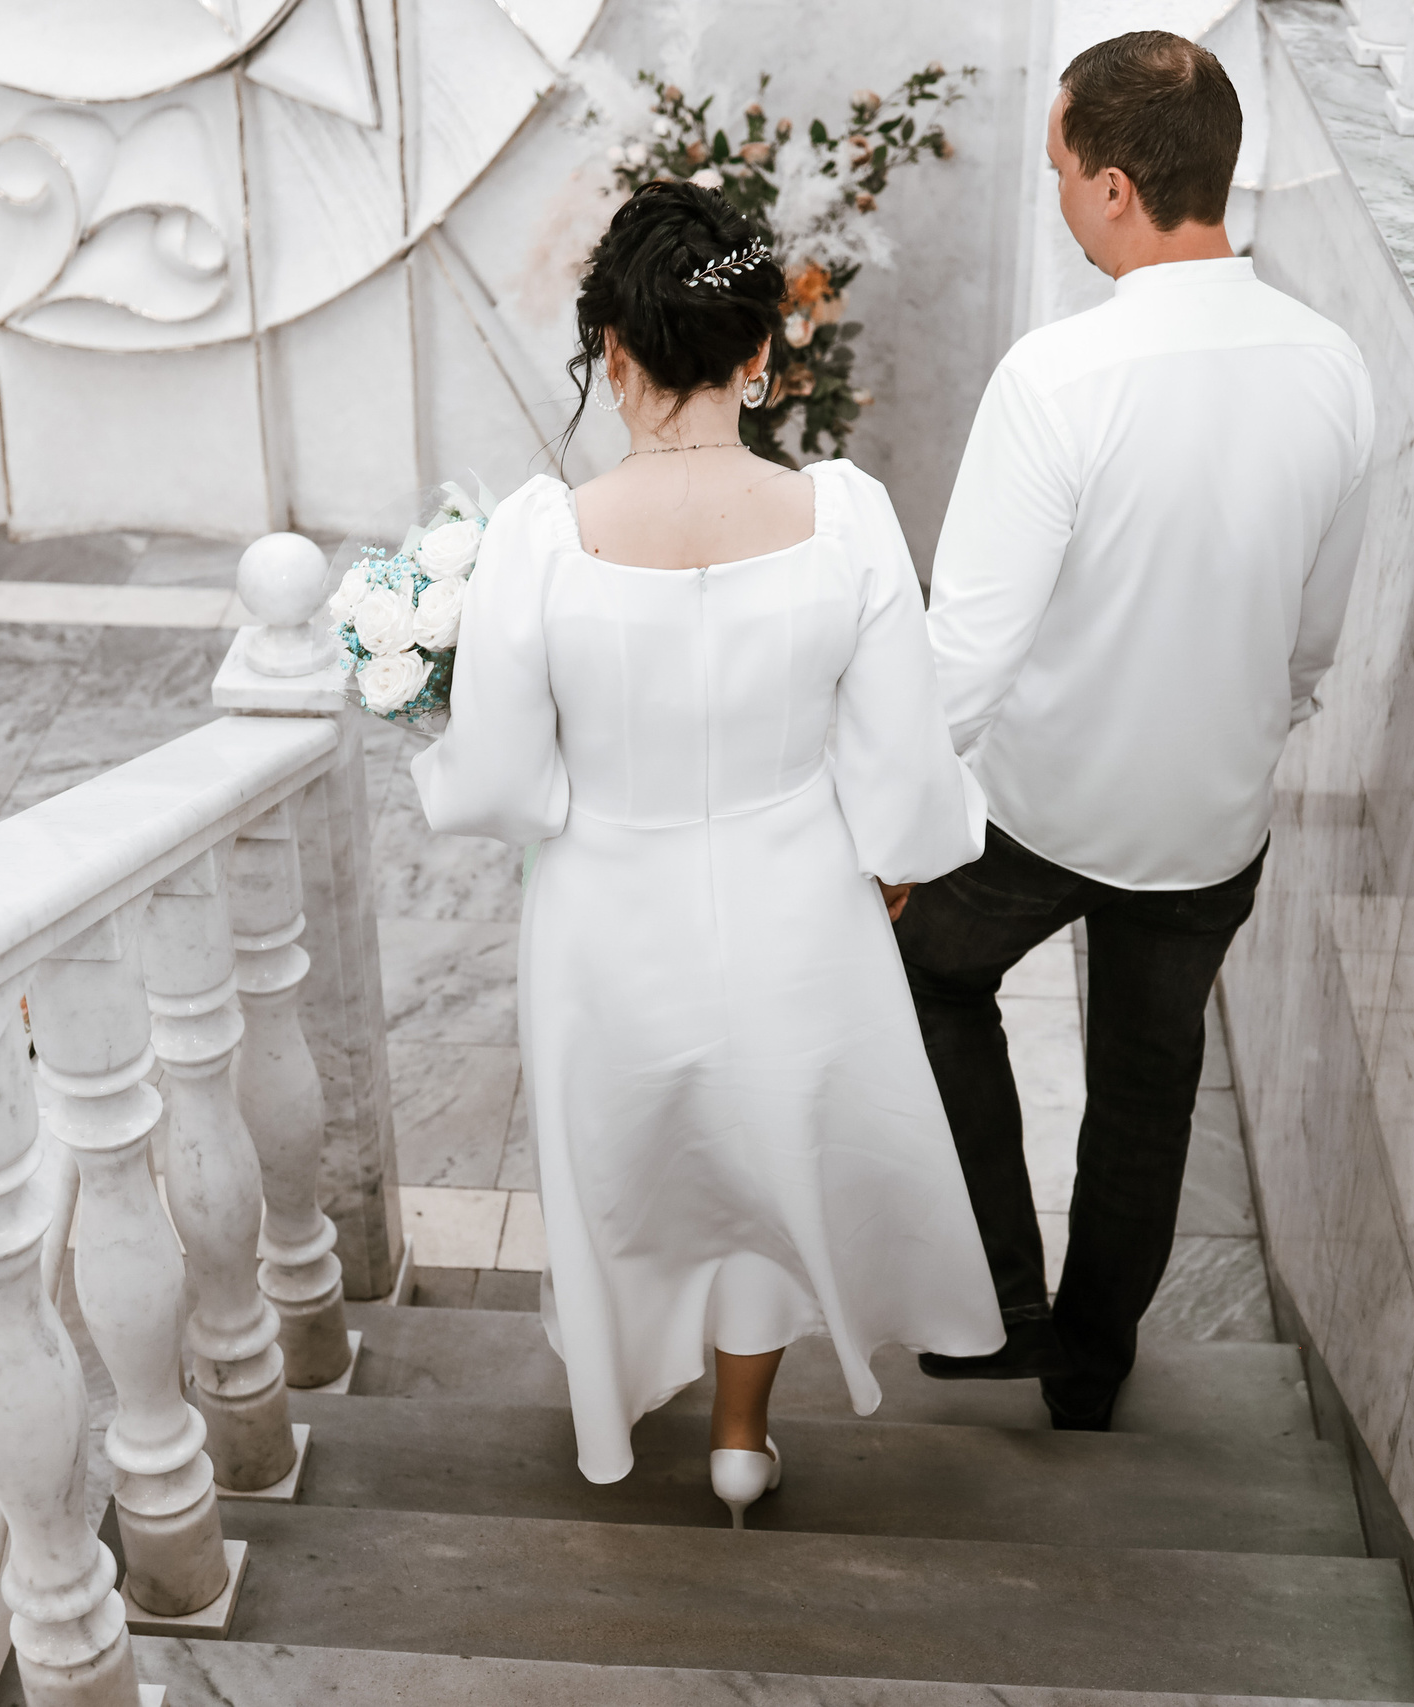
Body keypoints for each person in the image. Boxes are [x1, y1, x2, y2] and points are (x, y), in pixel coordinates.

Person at [413, 180, 1004, 1521]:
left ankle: (630, 1413)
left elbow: (505, 781)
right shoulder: (845, 520)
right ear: (760, 354)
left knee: (628, 1165)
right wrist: (898, 856)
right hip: (796, 901)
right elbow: (905, 763)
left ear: (609, 352)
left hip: (604, 919)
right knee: (767, 1161)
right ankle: (744, 1439)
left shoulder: (539, 541)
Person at [892, 31, 1376, 1431]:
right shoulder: (1336, 367)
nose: (1058, 196)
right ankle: (1090, 1372)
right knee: (1149, 1091)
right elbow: (1316, 632)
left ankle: (999, 1303)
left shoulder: (1058, 378)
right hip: (1212, 823)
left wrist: (885, 829)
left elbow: (965, 658)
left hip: (1038, 813)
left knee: (924, 975)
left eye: (1059, 170)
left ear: (1112, 187)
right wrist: (1236, 727)